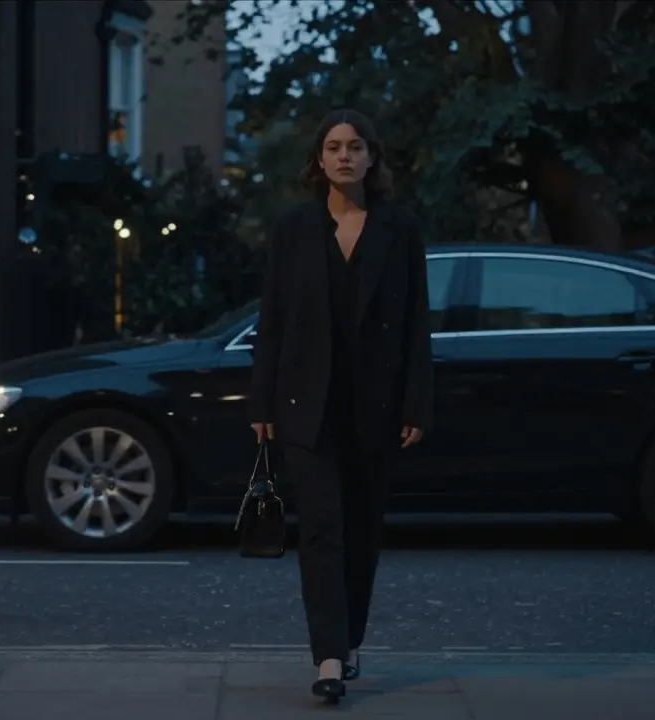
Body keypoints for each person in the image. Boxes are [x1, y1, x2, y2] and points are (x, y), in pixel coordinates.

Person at [247, 108, 433, 704]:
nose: (345, 155)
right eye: (333, 146)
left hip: (374, 406)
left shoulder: (399, 229)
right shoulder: (294, 229)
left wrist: (416, 404)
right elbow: (271, 320)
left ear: (371, 158)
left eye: (355, 146)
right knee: (321, 530)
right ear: (319, 160)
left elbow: (415, 326)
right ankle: (327, 656)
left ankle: (348, 639)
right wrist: (262, 401)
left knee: (361, 533)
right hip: (308, 404)